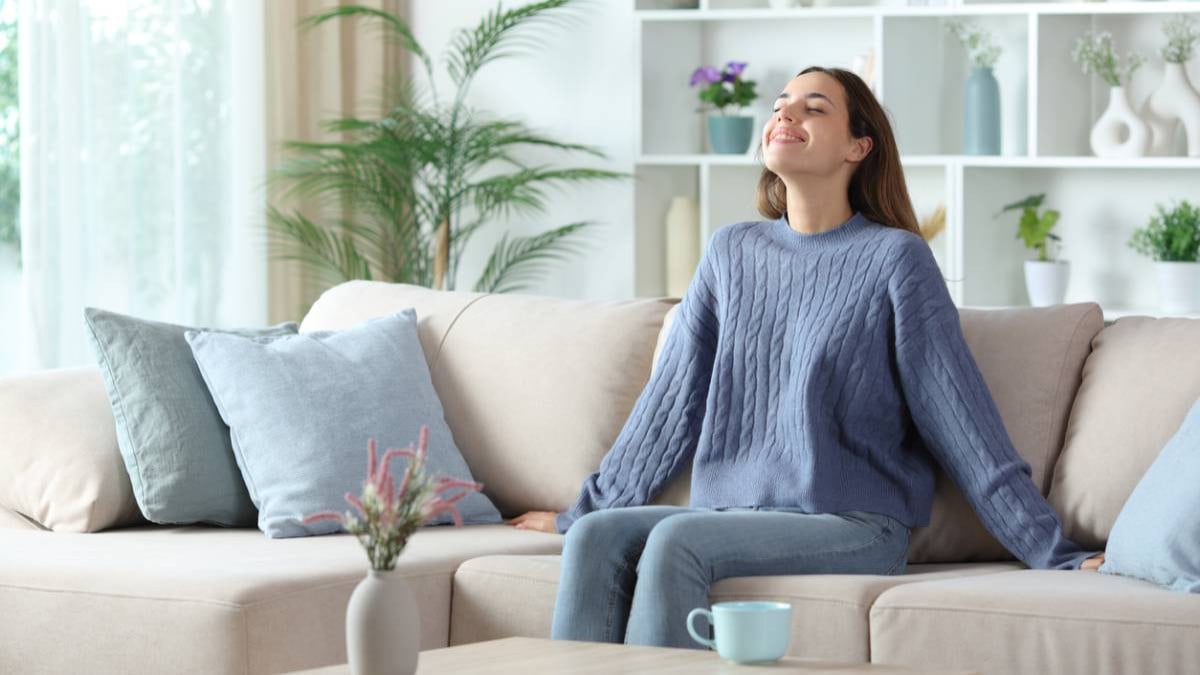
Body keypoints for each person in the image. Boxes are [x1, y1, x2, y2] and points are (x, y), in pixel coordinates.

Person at [505, 65, 1105, 649]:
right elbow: (670, 403)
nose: (784, 114)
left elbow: (960, 421)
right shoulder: (730, 251)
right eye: (779, 106)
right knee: (595, 539)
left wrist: (1052, 550)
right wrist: (581, 512)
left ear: (858, 147)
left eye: (814, 108)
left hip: (856, 524)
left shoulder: (896, 259)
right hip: (732, 513)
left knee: (675, 542)